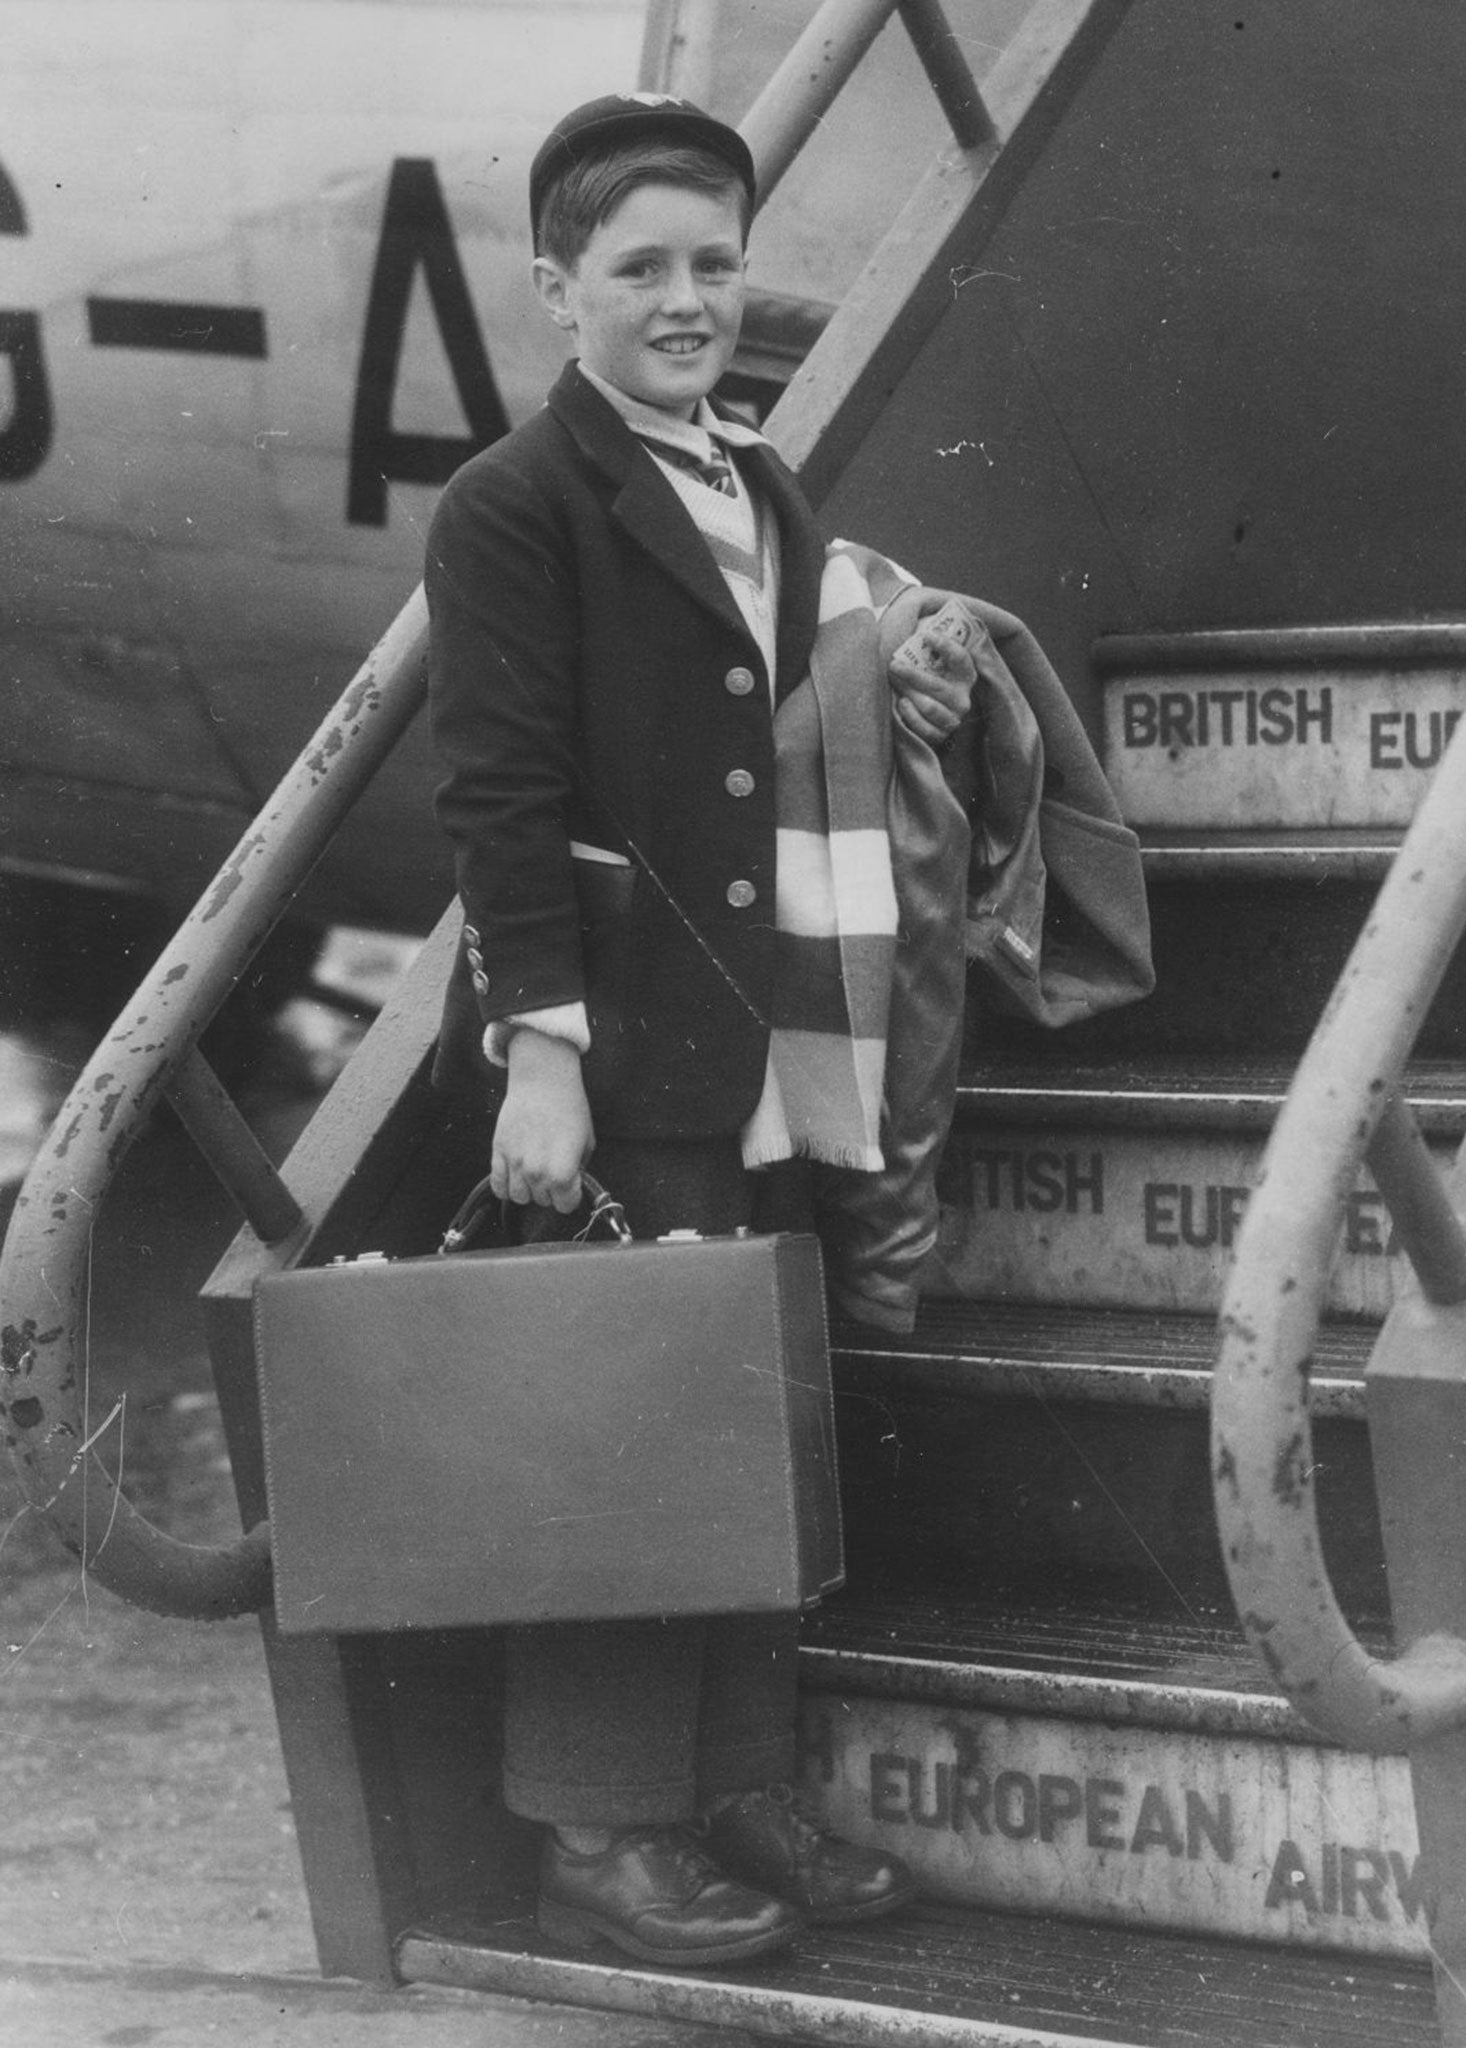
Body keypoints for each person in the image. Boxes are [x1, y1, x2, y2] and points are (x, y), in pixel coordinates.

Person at [424, 93, 967, 1971]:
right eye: (641, 268)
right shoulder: (516, 502)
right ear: (558, 286)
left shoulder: (761, 479)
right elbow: (501, 794)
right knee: (618, 1431)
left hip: (759, 1047)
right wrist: (543, 1057)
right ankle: (597, 1827)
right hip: (630, 1038)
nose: (685, 300)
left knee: (744, 1424)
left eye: (714, 263)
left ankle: (733, 1786)